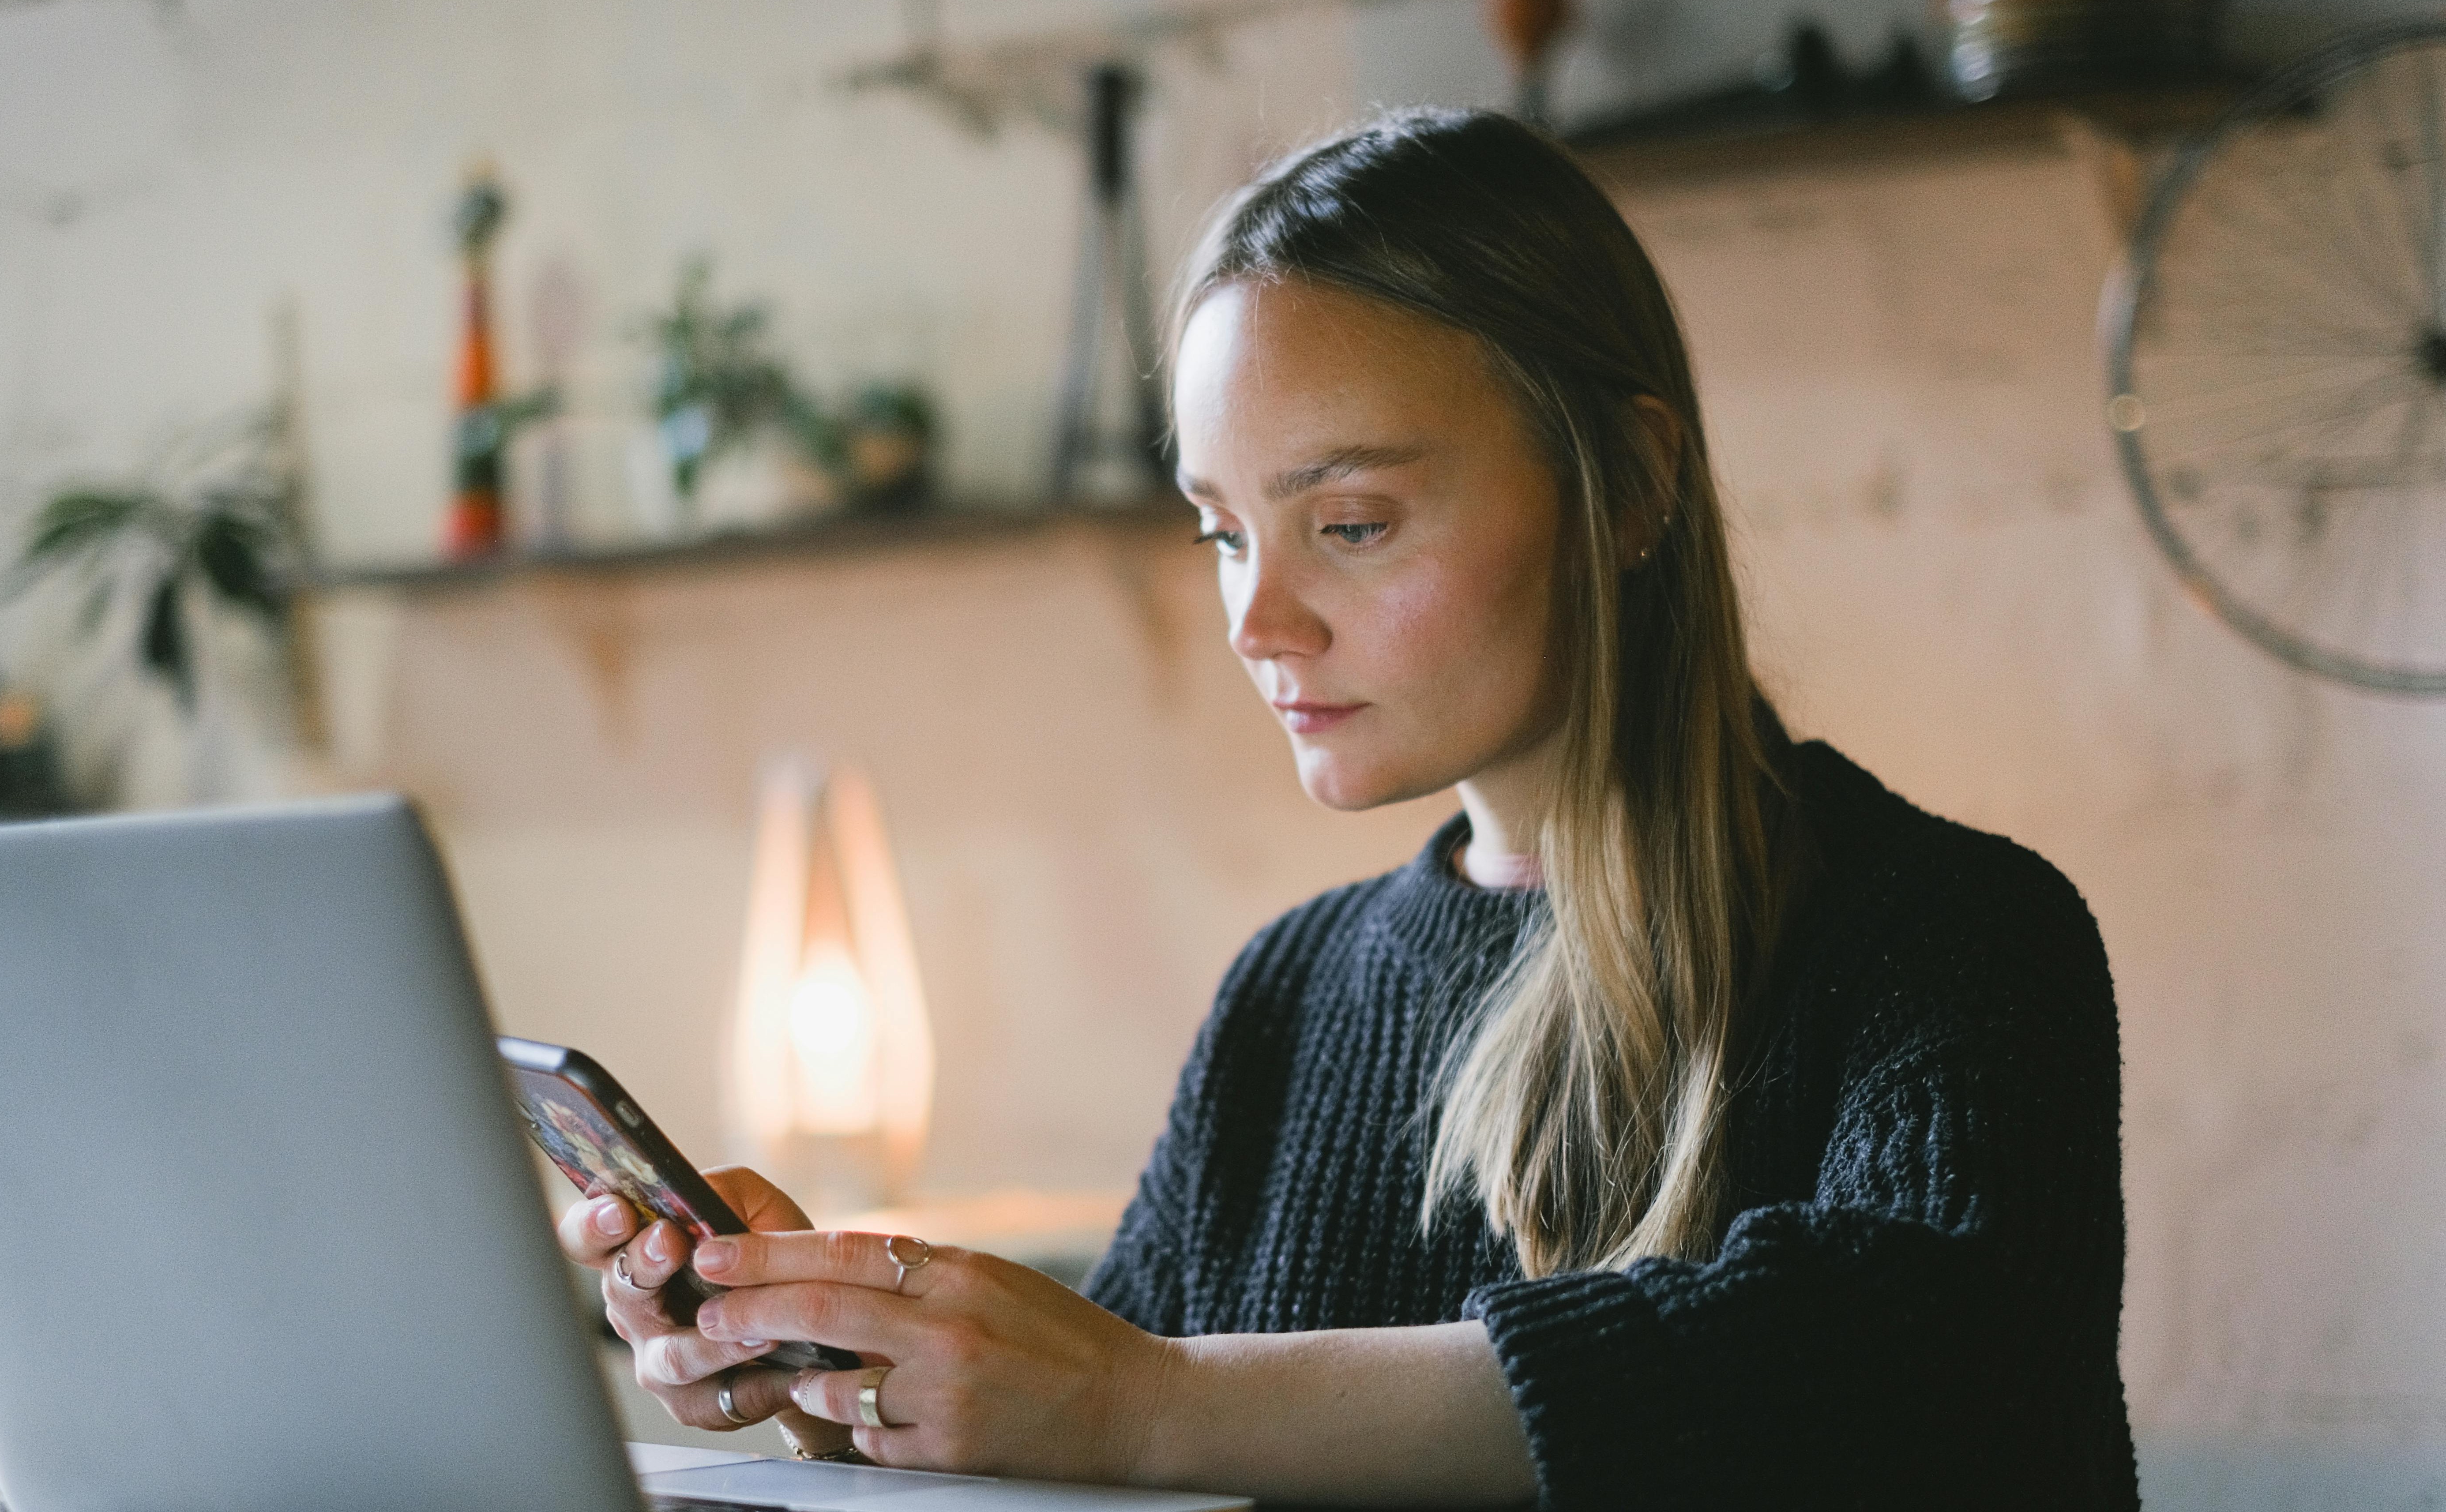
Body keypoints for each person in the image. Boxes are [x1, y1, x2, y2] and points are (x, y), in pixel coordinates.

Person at [558, 109, 2136, 1509]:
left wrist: (1141, 1404)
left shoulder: (1954, 938)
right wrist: (847, 1368)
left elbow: (1907, 1372)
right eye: (1223, 531)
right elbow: (1105, 1448)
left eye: (1354, 521)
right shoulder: (1289, 997)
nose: (1261, 619)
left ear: (1635, 484)